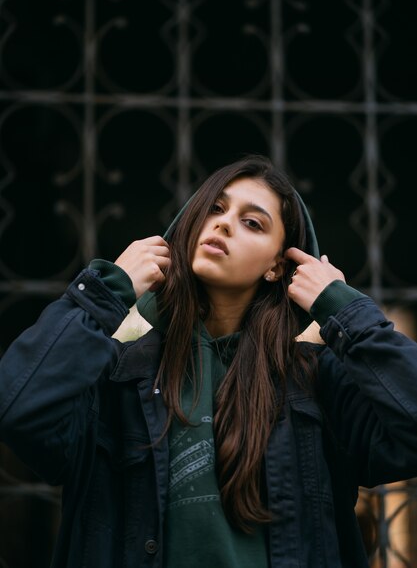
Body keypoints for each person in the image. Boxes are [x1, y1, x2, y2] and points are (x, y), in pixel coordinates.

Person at [0, 154, 417, 568]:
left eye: (252, 222)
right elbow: (20, 408)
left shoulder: (317, 382)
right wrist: (103, 293)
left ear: (277, 266)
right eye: (215, 208)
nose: (223, 223)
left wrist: (345, 313)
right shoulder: (116, 377)